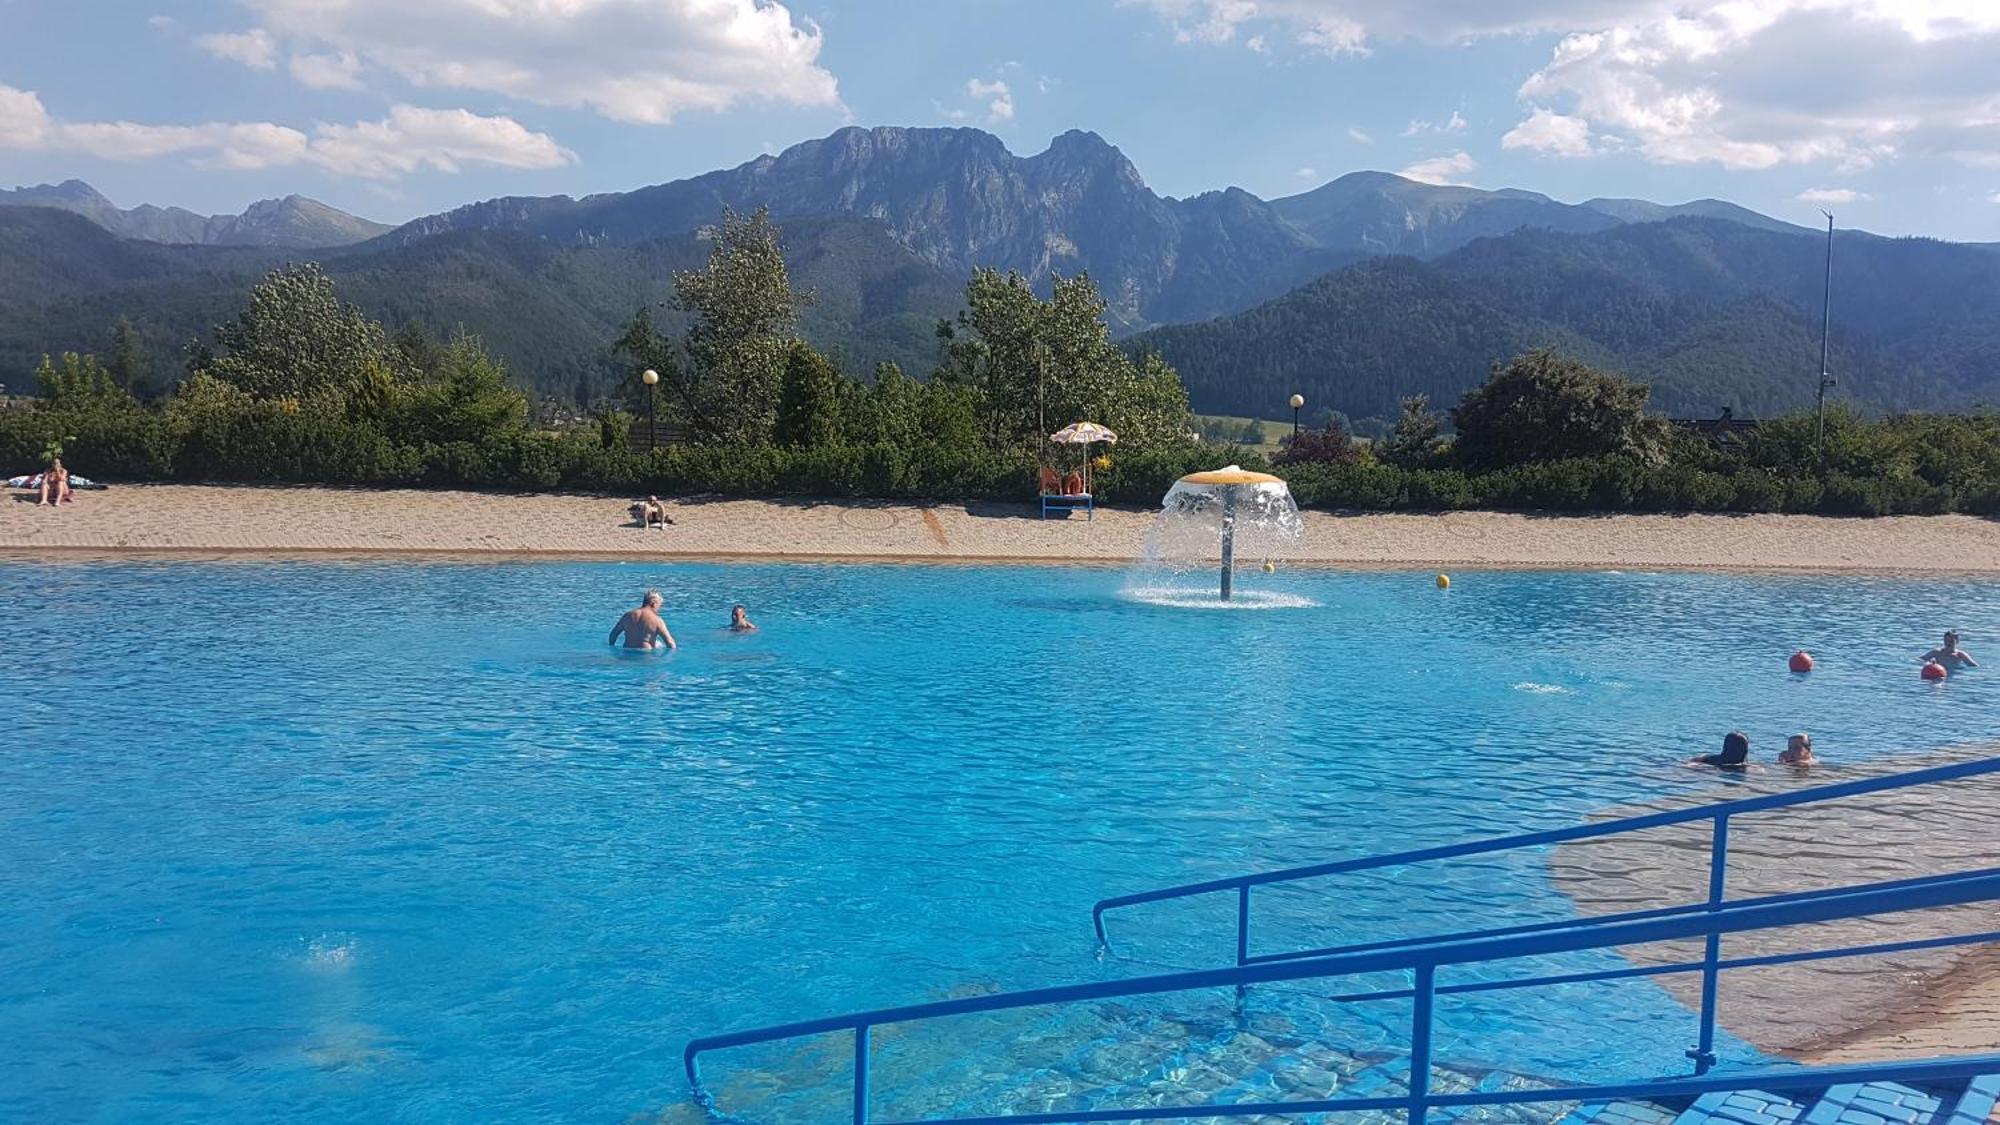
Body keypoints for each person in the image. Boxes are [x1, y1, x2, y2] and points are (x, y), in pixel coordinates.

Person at [607, 590, 677, 650]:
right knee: (659, 644)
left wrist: (611, 648)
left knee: (657, 644)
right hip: (646, 656)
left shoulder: (627, 615)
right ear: (654, 604)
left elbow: (613, 634)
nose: (659, 609)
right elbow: (670, 644)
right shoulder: (657, 620)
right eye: (659, 605)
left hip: (627, 652)